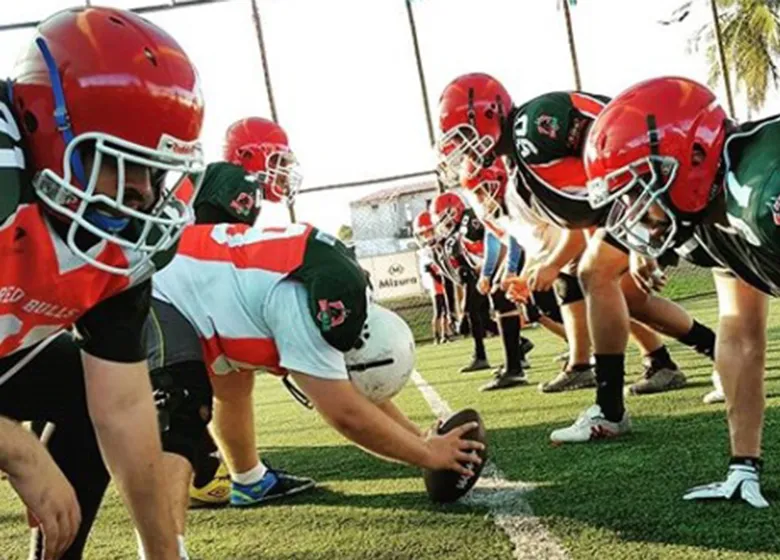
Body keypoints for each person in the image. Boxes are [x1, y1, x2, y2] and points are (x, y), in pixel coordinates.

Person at [144, 221, 485, 554]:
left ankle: (249, 481)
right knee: (182, 412)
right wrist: (428, 454)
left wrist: (418, 437)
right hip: (156, 281)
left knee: (231, 384)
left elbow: (351, 386)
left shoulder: (339, 290)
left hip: (193, 277)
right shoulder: (306, 308)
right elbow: (346, 411)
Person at [0, 7, 205, 559]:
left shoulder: (125, 241)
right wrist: (14, 446)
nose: (139, 191)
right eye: (115, 159)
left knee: (86, 398)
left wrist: (165, 551)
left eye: (152, 167)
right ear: (44, 124)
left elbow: (121, 406)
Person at [436, 74, 720, 442]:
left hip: (660, 186)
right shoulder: (518, 167)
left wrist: (641, 229)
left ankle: (610, 410)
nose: (462, 149)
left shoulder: (536, 125)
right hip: (639, 201)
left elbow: (615, 142)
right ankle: (720, 355)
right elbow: (589, 203)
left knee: (594, 274)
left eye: (462, 136)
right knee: (628, 295)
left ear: (487, 114)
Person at [583, 75, 779, 507]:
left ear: (691, 156)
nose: (633, 207)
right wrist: (743, 463)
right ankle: (743, 470)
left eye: (637, 187)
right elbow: (741, 337)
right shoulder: (705, 220)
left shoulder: (763, 194)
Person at [429, 192, 530, 390]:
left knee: (544, 305)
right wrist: (487, 272)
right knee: (514, 302)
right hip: (514, 252)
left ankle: (581, 358)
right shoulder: (466, 225)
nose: (480, 196)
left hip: (530, 247)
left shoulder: (472, 220)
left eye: (482, 190)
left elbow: (505, 239)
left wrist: (503, 269)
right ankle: (515, 364)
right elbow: (493, 239)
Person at [414, 211, 453, 344]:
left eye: (429, 231)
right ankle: (437, 336)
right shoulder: (426, 253)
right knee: (439, 313)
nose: (426, 236)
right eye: (423, 233)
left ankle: (446, 335)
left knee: (445, 313)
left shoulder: (443, 247)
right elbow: (430, 272)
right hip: (437, 288)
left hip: (444, 286)